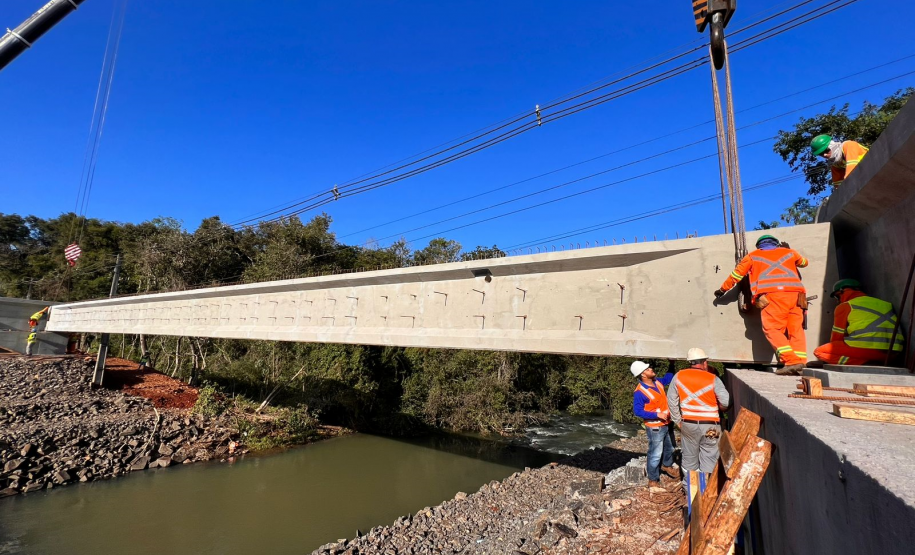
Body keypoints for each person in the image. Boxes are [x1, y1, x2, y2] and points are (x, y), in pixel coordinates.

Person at [715, 234, 809, 375]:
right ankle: (801, 363)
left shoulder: (753, 256)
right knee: (796, 330)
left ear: (759, 246)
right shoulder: (790, 253)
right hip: (797, 297)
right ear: (776, 243)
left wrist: (722, 289)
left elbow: (736, 275)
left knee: (772, 329)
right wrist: (789, 251)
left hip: (772, 297)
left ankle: (791, 361)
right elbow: (804, 263)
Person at [667, 348, 730, 475]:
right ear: (705, 363)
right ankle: (706, 490)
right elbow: (726, 402)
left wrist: (678, 420)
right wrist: (721, 408)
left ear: (690, 362)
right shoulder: (713, 378)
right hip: (711, 426)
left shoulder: (679, 376)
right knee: (710, 457)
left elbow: (671, 400)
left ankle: (691, 491)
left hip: (688, 424)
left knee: (689, 461)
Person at [813, 279, 905, 366]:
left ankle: (864, 363)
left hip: (868, 351)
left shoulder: (845, 306)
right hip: (894, 353)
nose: (839, 300)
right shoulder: (884, 303)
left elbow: (837, 338)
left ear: (841, 292)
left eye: (837, 296)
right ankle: (873, 361)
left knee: (820, 351)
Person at [630, 360, 678, 487]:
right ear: (643, 375)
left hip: (666, 423)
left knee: (670, 447)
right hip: (655, 426)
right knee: (655, 453)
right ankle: (653, 479)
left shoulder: (657, 382)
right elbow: (638, 411)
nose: (650, 369)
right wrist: (657, 415)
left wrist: (672, 364)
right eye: (647, 369)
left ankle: (666, 465)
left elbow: (669, 378)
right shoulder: (640, 392)